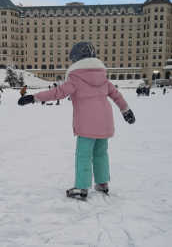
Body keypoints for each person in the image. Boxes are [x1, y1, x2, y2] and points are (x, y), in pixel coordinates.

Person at [18, 41, 135, 199]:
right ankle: (102, 183)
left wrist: (34, 97)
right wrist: (125, 110)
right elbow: (116, 95)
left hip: (87, 124)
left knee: (83, 155)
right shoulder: (103, 77)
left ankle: (81, 187)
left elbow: (58, 93)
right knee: (101, 153)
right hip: (105, 122)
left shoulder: (76, 78)